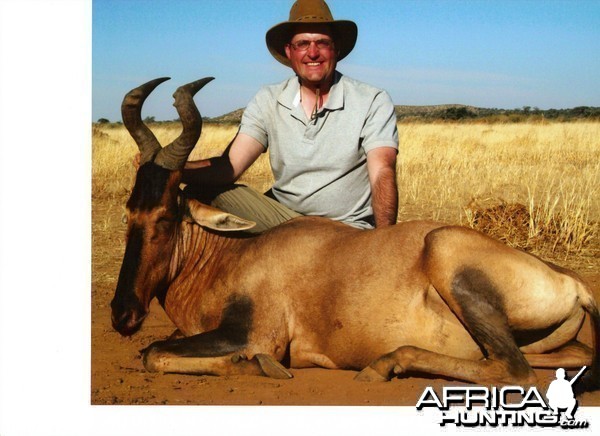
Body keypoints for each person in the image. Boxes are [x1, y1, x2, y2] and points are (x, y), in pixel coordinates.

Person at [182, 0, 399, 233]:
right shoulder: (268, 99)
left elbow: (382, 171)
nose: (313, 52)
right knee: (195, 194)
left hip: (345, 230)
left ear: (336, 49)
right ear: (289, 51)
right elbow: (229, 167)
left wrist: (384, 238)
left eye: (322, 43)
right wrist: (174, 169)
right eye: (303, 44)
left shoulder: (372, 99)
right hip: (284, 220)